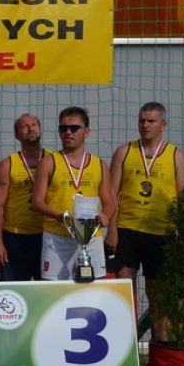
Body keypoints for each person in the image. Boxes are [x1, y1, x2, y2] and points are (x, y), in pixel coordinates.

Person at [107, 102, 184, 341]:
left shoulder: (176, 155)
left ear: (163, 124)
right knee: (124, 290)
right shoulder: (124, 152)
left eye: (151, 121)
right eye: (142, 120)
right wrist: (112, 230)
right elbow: (111, 195)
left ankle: (159, 346)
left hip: (161, 232)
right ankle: (125, 347)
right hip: (126, 230)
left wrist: (183, 237)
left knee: (157, 294)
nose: (145, 125)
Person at [31, 106, 114, 281]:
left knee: (93, 289)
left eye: (74, 128)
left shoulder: (99, 165)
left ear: (86, 132)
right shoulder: (49, 162)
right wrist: (59, 216)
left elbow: (109, 202)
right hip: (57, 237)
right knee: (55, 291)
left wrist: (105, 216)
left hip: (91, 237)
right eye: (63, 128)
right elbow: (37, 202)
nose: (68, 132)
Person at [0, 114, 49, 281]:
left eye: (34, 125)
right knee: (13, 290)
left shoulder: (54, 160)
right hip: (15, 237)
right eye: (24, 126)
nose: (30, 129)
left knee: (47, 290)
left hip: (47, 235)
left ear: (40, 129)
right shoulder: (8, 164)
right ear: (16, 135)